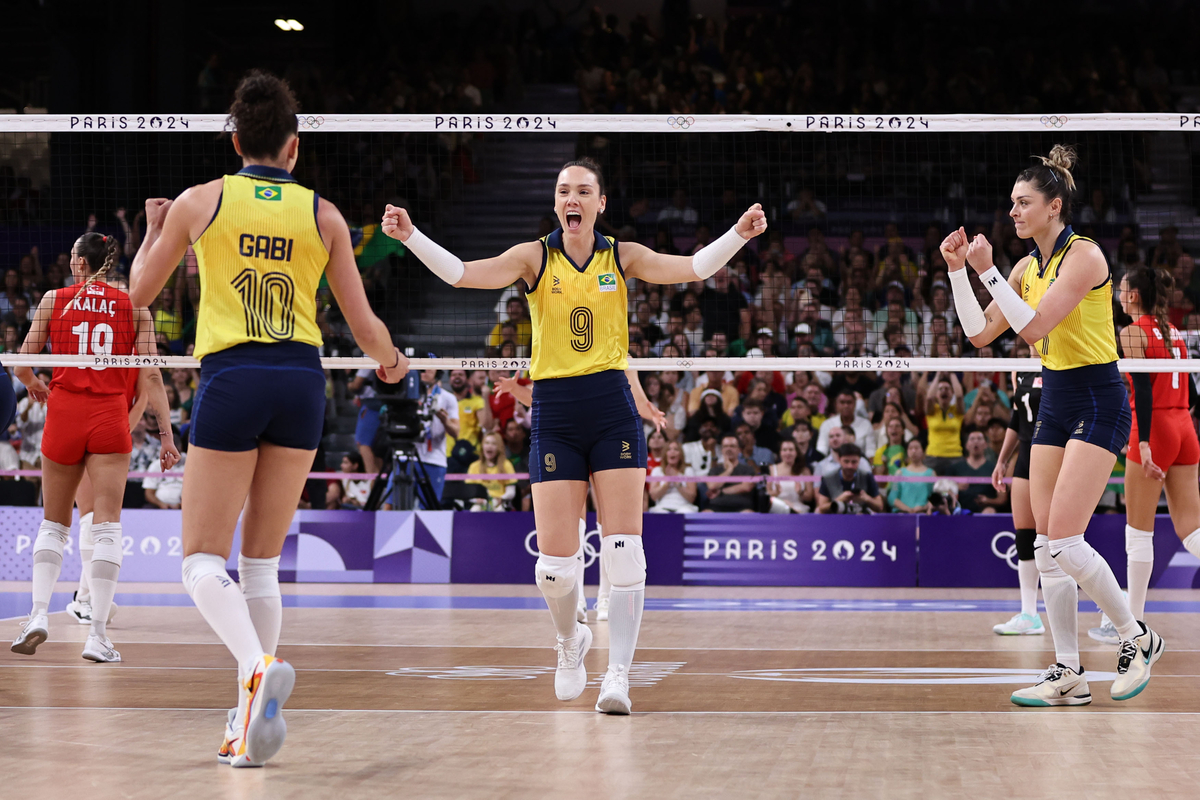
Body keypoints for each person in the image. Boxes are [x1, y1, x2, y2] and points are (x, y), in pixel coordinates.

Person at [383, 154, 766, 714]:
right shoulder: (533, 258)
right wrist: (412, 235)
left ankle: (618, 677)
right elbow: (461, 273)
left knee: (625, 553)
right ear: (556, 202)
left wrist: (738, 233)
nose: (573, 199)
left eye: (584, 191)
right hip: (556, 411)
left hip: (611, 407)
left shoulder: (623, 256)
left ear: (600, 203)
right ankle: (571, 640)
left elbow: (695, 268)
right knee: (555, 569)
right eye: (564, 190)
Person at [129, 71, 407, 766]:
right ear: (293, 148)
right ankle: (249, 720)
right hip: (302, 384)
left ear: (233, 141)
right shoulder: (326, 215)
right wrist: (394, 364)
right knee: (260, 564)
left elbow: (136, 294)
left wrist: (155, 229)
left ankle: (255, 668)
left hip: (234, 376)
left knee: (198, 560)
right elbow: (366, 327)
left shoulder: (201, 202)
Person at [946, 143, 1163, 706]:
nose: (1013, 212)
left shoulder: (1086, 258)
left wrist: (987, 270)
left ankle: (1136, 636)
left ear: (1055, 206)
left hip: (1098, 395)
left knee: (1066, 539)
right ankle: (1069, 668)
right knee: (1046, 545)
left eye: (1023, 203)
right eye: (1012, 203)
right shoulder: (1024, 267)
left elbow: (1034, 329)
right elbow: (979, 334)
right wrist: (956, 274)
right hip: (1056, 398)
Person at [11, 233, 178, 664]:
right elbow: (152, 376)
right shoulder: (134, 307)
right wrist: (166, 434)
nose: (69, 263)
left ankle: (35, 617)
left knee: (53, 524)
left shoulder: (53, 298)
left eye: (72, 257)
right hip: (109, 419)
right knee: (107, 528)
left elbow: (21, 362)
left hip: (64, 413)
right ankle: (97, 635)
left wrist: (34, 384)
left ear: (83, 263)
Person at [1089, 266, 1200, 643]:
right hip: (1185, 426)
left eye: (1122, 289)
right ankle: (1131, 621)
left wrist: (1149, 442)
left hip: (1153, 428)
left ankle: (1133, 625)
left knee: (1138, 533)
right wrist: (1178, 425)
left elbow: (1143, 389)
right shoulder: (1175, 334)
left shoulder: (1132, 332)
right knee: (1192, 530)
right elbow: (1194, 394)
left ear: (1134, 296)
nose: (1119, 295)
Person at [990, 366, 1047, 636]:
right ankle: (1029, 614)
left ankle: (1112, 601)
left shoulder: (1060, 362)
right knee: (1024, 534)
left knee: (1059, 537)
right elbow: (1017, 418)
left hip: (1051, 450)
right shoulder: (1018, 370)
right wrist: (1002, 460)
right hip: (1025, 453)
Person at [816, 444, 884, 514]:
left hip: (861, 520)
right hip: (836, 520)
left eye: (854, 462)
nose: (850, 466)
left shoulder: (867, 476)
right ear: (839, 459)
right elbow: (821, 508)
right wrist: (839, 500)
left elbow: (880, 506)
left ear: (859, 460)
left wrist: (866, 498)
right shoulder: (828, 478)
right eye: (846, 461)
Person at [950, 430, 1004, 514]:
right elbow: (944, 491)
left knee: (990, 511)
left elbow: (1002, 498)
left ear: (985, 445)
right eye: (972, 439)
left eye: (979, 439)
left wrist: (988, 500)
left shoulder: (994, 468)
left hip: (984, 509)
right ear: (967, 445)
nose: (976, 441)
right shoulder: (955, 468)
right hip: (960, 508)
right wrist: (956, 487)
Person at [704, 434, 759, 513]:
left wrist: (721, 491)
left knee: (749, 514)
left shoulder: (748, 469)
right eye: (725, 446)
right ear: (722, 450)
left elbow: (746, 487)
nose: (728, 449)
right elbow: (712, 485)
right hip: (716, 507)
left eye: (732, 446)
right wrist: (729, 470)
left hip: (742, 507)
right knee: (706, 514)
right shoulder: (714, 470)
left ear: (739, 450)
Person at [923, 373, 964, 474]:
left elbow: (959, 396)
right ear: (936, 394)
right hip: (933, 456)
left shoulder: (957, 411)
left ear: (952, 393)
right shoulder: (932, 411)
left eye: (947, 388)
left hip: (955, 456)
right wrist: (938, 374)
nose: (944, 391)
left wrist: (952, 373)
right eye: (940, 389)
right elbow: (929, 397)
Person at [466, 431, 517, 511]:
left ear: (499, 447)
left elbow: (511, 491)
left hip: (499, 503)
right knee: (475, 510)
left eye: (493, 444)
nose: (489, 446)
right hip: (481, 503)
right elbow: (468, 492)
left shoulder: (506, 465)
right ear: (482, 446)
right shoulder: (474, 466)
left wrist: (501, 498)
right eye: (487, 443)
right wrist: (477, 500)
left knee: (500, 510)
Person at [649, 440, 698, 513]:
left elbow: (691, 497)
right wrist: (667, 482)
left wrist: (676, 480)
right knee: (660, 513)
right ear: (665, 454)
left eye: (676, 449)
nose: (672, 452)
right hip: (662, 507)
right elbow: (654, 496)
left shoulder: (688, 471)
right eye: (669, 449)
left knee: (685, 512)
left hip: (684, 507)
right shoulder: (657, 470)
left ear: (680, 455)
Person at [888, 439, 935, 513]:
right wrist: (908, 509)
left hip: (923, 514)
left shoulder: (931, 473)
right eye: (910, 448)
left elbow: (934, 497)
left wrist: (923, 507)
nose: (913, 451)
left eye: (916, 448)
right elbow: (892, 498)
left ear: (923, 451)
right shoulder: (900, 472)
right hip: (902, 514)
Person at [768, 439, 813, 514]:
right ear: (780, 453)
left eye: (791, 450)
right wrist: (775, 493)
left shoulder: (804, 471)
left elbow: (809, 497)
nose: (788, 453)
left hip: (798, 510)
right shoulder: (772, 469)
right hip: (777, 509)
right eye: (784, 450)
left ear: (796, 452)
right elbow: (767, 494)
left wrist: (800, 492)